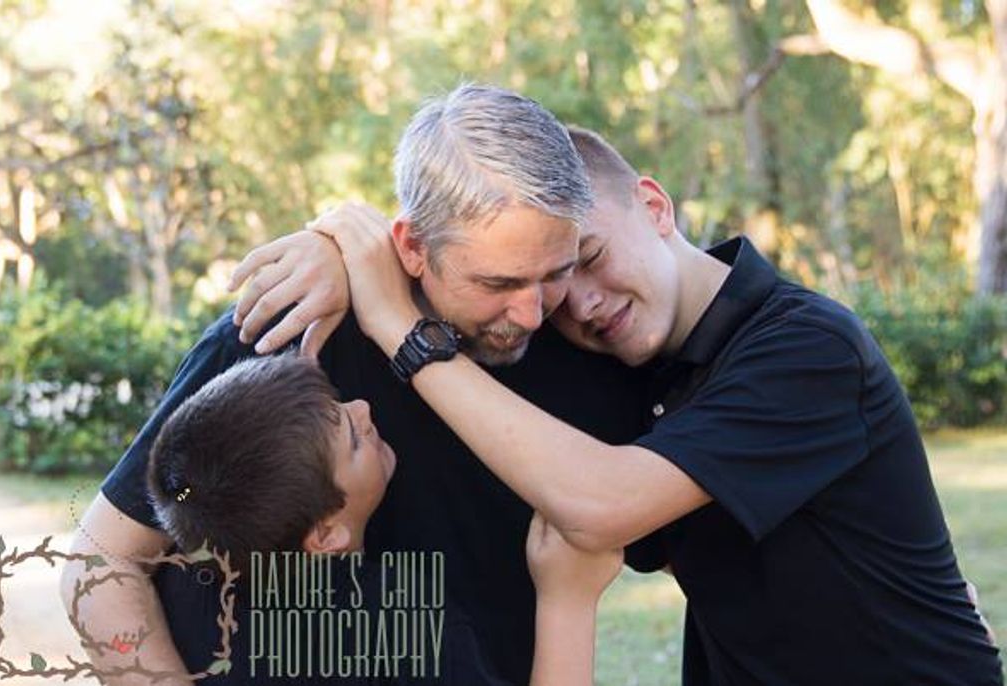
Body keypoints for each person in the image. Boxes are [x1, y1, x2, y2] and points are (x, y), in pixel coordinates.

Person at [236, 126, 1004, 684]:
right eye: (551, 283)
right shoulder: (627, 364)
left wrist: (393, 320)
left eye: (590, 259)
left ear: (655, 206)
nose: (578, 304)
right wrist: (339, 249)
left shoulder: (807, 348)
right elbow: (466, 224)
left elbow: (601, 507)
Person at [61, 84, 645, 686]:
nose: (532, 312)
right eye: (497, 283)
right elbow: (102, 562)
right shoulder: (285, 330)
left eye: (556, 272)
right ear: (412, 246)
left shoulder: (592, 350)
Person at [144, 354, 620, 685]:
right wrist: (568, 601)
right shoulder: (400, 624)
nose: (364, 409)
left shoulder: (180, 586)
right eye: (353, 440)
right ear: (325, 534)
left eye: (339, 401)